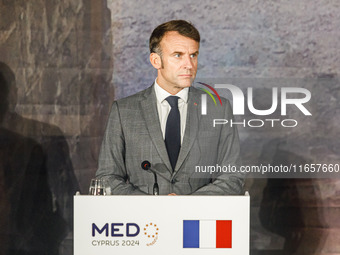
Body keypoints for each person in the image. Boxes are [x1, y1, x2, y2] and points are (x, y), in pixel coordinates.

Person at [96, 20, 244, 195]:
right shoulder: (124, 111)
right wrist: (155, 207)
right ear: (156, 60)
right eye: (178, 55)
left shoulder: (218, 108)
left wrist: (185, 205)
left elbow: (232, 177)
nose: (189, 64)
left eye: (193, 55)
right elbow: (107, 178)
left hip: (198, 219)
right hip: (143, 221)